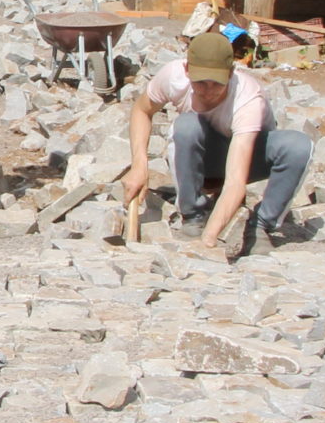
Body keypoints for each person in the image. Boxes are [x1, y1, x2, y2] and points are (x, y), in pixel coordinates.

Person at [122, 31, 313, 257]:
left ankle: (260, 226)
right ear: (187, 69)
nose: (209, 91)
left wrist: (208, 242)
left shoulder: (248, 98)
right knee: (185, 126)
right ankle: (192, 216)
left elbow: (235, 182)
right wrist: (139, 165)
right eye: (201, 83)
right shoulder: (173, 76)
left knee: (298, 146)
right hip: (205, 158)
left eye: (217, 84)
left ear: (231, 73)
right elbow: (142, 111)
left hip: (248, 157)